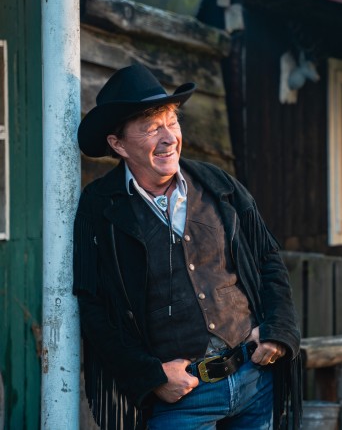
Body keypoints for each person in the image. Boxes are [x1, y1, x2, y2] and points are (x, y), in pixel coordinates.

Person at [73, 63, 301, 430]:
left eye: (172, 123)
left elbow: (268, 258)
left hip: (255, 378)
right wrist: (150, 375)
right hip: (181, 399)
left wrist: (277, 330)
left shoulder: (218, 184)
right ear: (117, 144)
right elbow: (93, 305)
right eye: (151, 128)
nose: (168, 138)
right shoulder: (100, 207)